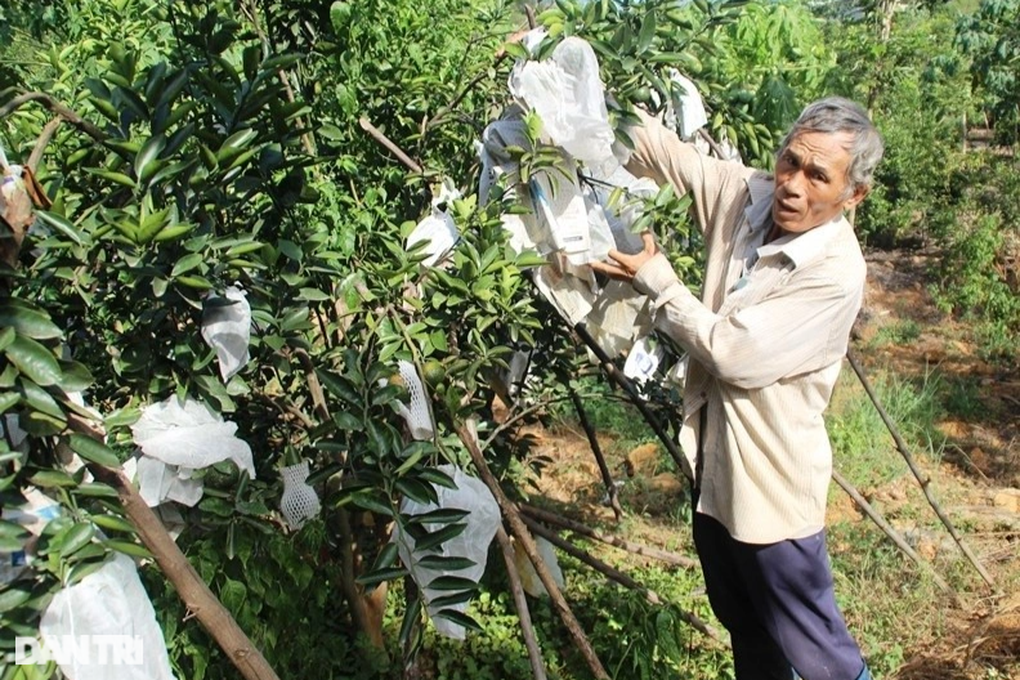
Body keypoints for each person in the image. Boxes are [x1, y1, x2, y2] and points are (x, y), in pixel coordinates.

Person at [591, 97, 883, 680]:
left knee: (818, 653)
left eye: (818, 175)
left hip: (771, 495)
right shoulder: (746, 195)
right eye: (790, 161)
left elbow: (734, 354)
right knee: (747, 629)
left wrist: (658, 282)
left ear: (853, 196)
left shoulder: (834, 270)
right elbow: (669, 154)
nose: (793, 185)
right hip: (716, 479)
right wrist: (572, 87)